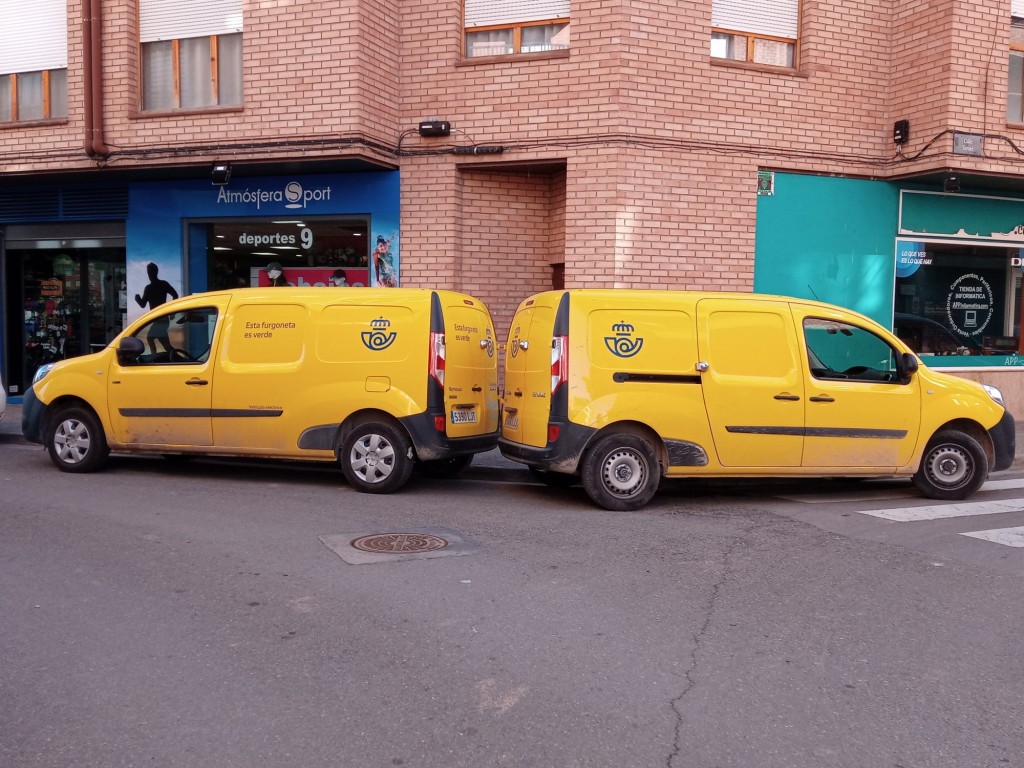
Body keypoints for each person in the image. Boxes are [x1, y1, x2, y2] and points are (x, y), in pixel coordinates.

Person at [134, 262, 178, 353]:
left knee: (150, 338)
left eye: (150, 272)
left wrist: (137, 298)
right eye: (149, 272)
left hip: (160, 320)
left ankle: (153, 358)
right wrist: (171, 312)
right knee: (166, 345)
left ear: (155, 272)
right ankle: (175, 358)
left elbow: (142, 304)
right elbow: (175, 296)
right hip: (161, 320)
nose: (149, 274)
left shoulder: (150, 287)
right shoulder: (160, 285)